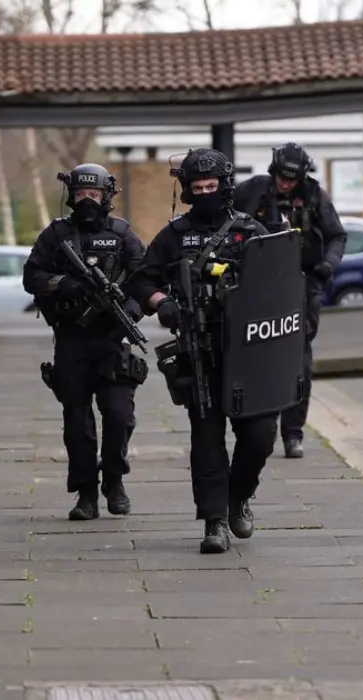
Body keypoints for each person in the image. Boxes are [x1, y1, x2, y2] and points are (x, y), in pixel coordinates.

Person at [127, 148, 279, 554]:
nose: (206, 192)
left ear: (225, 185)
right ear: (188, 191)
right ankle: (214, 522)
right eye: (199, 187)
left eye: (213, 186)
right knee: (207, 437)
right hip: (200, 348)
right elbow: (142, 280)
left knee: (260, 435)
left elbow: (280, 282)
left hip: (249, 351)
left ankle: (238, 496)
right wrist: (162, 302)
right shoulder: (175, 235)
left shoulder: (251, 230)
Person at [23, 163, 147, 522]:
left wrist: (132, 309)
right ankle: (86, 493)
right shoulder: (56, 234)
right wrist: (64, 284)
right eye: (81, 194)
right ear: (71, 196)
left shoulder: (122, 234)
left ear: (106, 196)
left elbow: (145, 278)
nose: (87, 201)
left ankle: (114, 480)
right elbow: (32, 277)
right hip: (72, 341)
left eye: (94, 194)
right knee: (77, 422)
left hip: (112, 339)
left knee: (119, 415)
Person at [233, 142, 347, 459]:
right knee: (258, 355)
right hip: (260, 284)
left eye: (291, 179)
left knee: (299, 359)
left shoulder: (314, 196)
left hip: (303, 283)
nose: (285, 184)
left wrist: (328, 265)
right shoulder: (253, 190)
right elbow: (225, 220)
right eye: (281, 177)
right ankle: (260, 427)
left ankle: (293, 433)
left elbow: (337, 235)